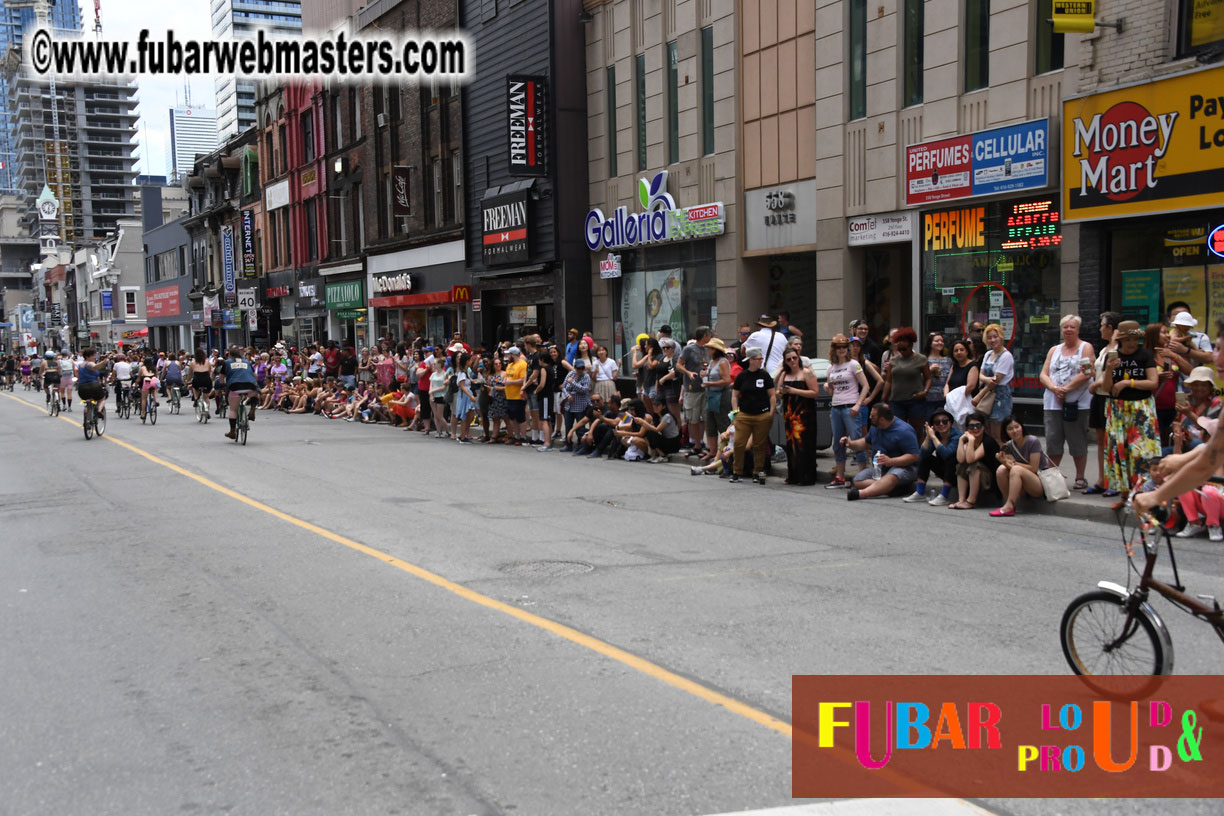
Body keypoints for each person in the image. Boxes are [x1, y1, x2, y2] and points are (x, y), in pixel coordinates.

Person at [1096, 320, 1160, 500]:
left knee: (1142, 452)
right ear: (1121, 340)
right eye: (1128, 339)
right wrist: (1109, 370)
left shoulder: (1145, 355)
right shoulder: (1112, 357)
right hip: (1117, 408)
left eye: (1135, 339)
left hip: (1141, 407)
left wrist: (1127, 382)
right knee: (1119, 452)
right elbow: (1106, 388)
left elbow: (1153, 382)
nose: (1132, 343)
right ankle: (1124, 495)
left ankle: (1141, 494)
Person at [1038, 315, 1095, 490]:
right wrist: (1054, 388)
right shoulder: (1054, 350)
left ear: (1078, 330)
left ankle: (1080, 477)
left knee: (1077, 439)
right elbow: (1043, 374)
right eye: (1065, 327)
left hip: (1077, 403)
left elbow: (1087, 373)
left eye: (1072, 327)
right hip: (1053, 403)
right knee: (1053, 439)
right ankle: (1052, 477)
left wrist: (1065, 389)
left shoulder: (1085, 348)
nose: (1068, 330)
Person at [843, 402, 920, 500]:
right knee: (858, 480)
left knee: (892, 476)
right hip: (882, 468)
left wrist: (891, 461)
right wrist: (850, 444)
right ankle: (890, 487)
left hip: (904, 467)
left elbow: (913, 456)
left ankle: (861, 493)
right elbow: (866, 443)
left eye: (873, 416)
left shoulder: (904, 431)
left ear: (882, 419)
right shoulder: (875, 427)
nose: (870, 417)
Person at [1084, 311, 1121, 496]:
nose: (1100, 329)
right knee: (1101, 440)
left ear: (1110, 328)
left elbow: (1111, 375)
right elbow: (1100, 373)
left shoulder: (1118, 350)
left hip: (1110, 397)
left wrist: (1096, 384)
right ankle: (1102, 478)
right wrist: (1090, 373)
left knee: (1113, 441)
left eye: (1102, 326)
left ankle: (1115, 480)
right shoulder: (1104, 349)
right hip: (1098, 398)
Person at [990, 416, 1055, 516]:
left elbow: (1034, 468)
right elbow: (1010, 467)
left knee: (1016, 469)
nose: (1014, 431)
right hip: (1022, 484)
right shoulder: (1008, 445)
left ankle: (1009, 506)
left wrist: (1013, 463)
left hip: (1039, 482)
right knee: (1001, 470)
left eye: (1017, 427)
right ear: (1006, 432)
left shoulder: (1033, 441)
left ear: (1022, 427)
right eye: (1010, 429)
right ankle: (1009, 503)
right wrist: (1004, 462)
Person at [729, 347, 776, 484]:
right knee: (739, 443)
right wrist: (735, 412)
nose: (761, 361)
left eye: (761, 359)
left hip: (762, 414)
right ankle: (737, 471)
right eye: (758, 359)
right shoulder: (742, 376)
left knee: (759, 445)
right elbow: (734, 396)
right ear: (751, 360)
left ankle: (757, 471)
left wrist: (771, 413)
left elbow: (772, 395)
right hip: (744, 415)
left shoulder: (765, 376)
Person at [778, 345, 822, 485]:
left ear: (799, 358)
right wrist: (782, 392)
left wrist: (794, 391)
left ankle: (806, 476)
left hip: (805, 414)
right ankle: (794, 475)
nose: (792, 361)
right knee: (791, 445)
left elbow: (815, 392)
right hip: (789, 414)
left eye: (794, 358)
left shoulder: (806, 372)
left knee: (804, 445)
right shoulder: (784, 374)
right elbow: (778, 393)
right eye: (789, 359)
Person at [1145, 321, 1193, 446]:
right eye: (1164, 333)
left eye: (1168, 332)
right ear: (1153, 335)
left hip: (1173, 408)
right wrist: (1156, 377)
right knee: (1156, 443)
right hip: (1153, 407)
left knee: (1171, 442)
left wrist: (1174, 356)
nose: (1168, 335)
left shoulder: (1172, 355)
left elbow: (1190, 371)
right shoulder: (1145, 355)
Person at [903, 408, 962, 506]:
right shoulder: (936, 435)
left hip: (958, 475)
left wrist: (933, 437)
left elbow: (947, 454)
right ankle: (920, 492)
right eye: (937, 422)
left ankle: (944, 495)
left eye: (945, 421)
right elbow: (922, 455)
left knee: (951, 459)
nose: (941, 424)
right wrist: (928, 437)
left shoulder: (957, 436)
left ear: (950, 423)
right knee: (926, 458)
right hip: (944, 472)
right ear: (933, 426)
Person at [882, 326, 930, 437]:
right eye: (899, 349)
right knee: (898, 430)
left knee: (917, 430)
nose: (902, 352)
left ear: (911, 345)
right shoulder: (893, 360)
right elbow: (889, 381)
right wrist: (884, 399)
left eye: (904, 349)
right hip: (896, 401)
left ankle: (919, 448)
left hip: (915, 400)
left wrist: (925, 391)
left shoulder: (921, 359)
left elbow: (928, 378)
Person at [950, 412, 1000, 510]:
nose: (975, 429)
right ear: (967, 429)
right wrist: (961, 441)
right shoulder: (967, 439)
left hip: (990, 481)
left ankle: (970, 501)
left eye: (978, 425)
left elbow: (970, 459)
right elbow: (960, 459)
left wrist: (971, 441)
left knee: (974, 465)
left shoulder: (988, 441)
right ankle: (961, 499)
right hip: (974, 478)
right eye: (971, 426)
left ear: (983, 427)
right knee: (960, 466)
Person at [974, 323, 1014, 441]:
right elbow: (980, 375)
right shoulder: (988, 354)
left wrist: (979, 395)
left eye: (995, 337)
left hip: (1000, 396)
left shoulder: (1006, 356)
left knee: (997, 433)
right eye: (989, 338)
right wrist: (987, 379)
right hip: (987, 395)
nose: (992, 340)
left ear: (1001, 337)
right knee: (987, 431)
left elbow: (996, 380)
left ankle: (1002, 452)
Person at [676, 327, 710, 454]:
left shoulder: (708, 349)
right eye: (709, 335)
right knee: (693, 417)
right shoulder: (689, 349)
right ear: (704, 336)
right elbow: (678, 365)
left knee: (705, 416)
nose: (710, 337)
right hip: (692, 388)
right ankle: (696, 444)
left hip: (706, 386)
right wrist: (688, 372)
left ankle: (703, 441)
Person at [700, 337, 733, 462]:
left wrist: (710, 384)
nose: (707, 350)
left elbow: (726, 380)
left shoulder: (723, 362)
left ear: (714, 349)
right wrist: (704, 375)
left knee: (722, 423)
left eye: (709, 348)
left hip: (721, 395)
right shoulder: (712, 362)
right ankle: (712, 451)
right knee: (710, 424)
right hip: (711, 395)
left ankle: (724, 451)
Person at [922, 333, 952, 417]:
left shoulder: (949, 360)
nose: (940, 343)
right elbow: (917, 378)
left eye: (942, 341)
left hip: (945, 398)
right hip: (928, 399)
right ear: (930, 343)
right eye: (936, 341)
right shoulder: (923, 360)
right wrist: (929, 370)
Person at [503, 346, 528, 444]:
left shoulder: (522, 364)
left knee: (520, 416)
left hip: (518, 395)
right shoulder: (510, 365)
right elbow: (507, 376)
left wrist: (511, 382)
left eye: (509, 354)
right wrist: (505, 380)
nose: (507, 356)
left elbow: (523, 380)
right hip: (509, 394)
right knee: (512, 416)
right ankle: (516, 435)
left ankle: (523, 436)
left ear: (513, 355)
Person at [74, 348, 109, 417]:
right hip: (94, 386)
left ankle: (88, 411)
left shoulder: (80, 365)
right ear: (87, 357)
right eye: (93, 356)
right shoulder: (89, 363)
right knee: (102, 398)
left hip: (82, 389)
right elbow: (94, 367)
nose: (95, 357)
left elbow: (78, 376)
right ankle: (99, 410)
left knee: (87, 399)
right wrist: (103, 362)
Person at [137, 353, 160, 420]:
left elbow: (139, 378)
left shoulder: (142, 368)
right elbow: (156, 376)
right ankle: (156, 400)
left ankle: (143, 413)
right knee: (154, 390)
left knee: (144, 398)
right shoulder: (154, 368)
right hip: (153, 381)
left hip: (146, 381)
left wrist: (136, 383)